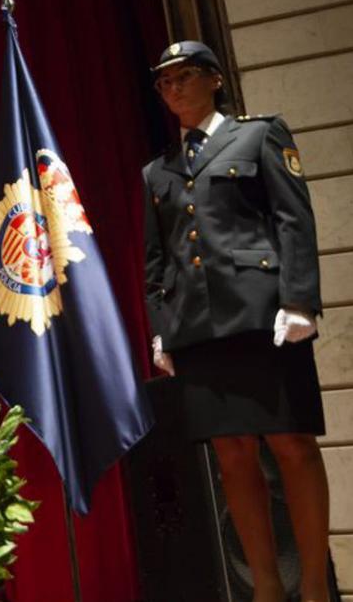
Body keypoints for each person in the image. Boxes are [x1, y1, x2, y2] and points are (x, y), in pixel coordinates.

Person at [142, 41, 332, 602]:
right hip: (198, 328)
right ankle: (267, 590)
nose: (173, 89)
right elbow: (159, 257)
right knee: (232, 454)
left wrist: (300, 302)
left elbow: (293, 221)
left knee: (291, 443)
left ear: (214, 80)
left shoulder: (258, 134)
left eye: (184, 77)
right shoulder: (159, 170)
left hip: (264, 318)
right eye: (164, 83)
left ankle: (317, 588)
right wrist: (162, 327)